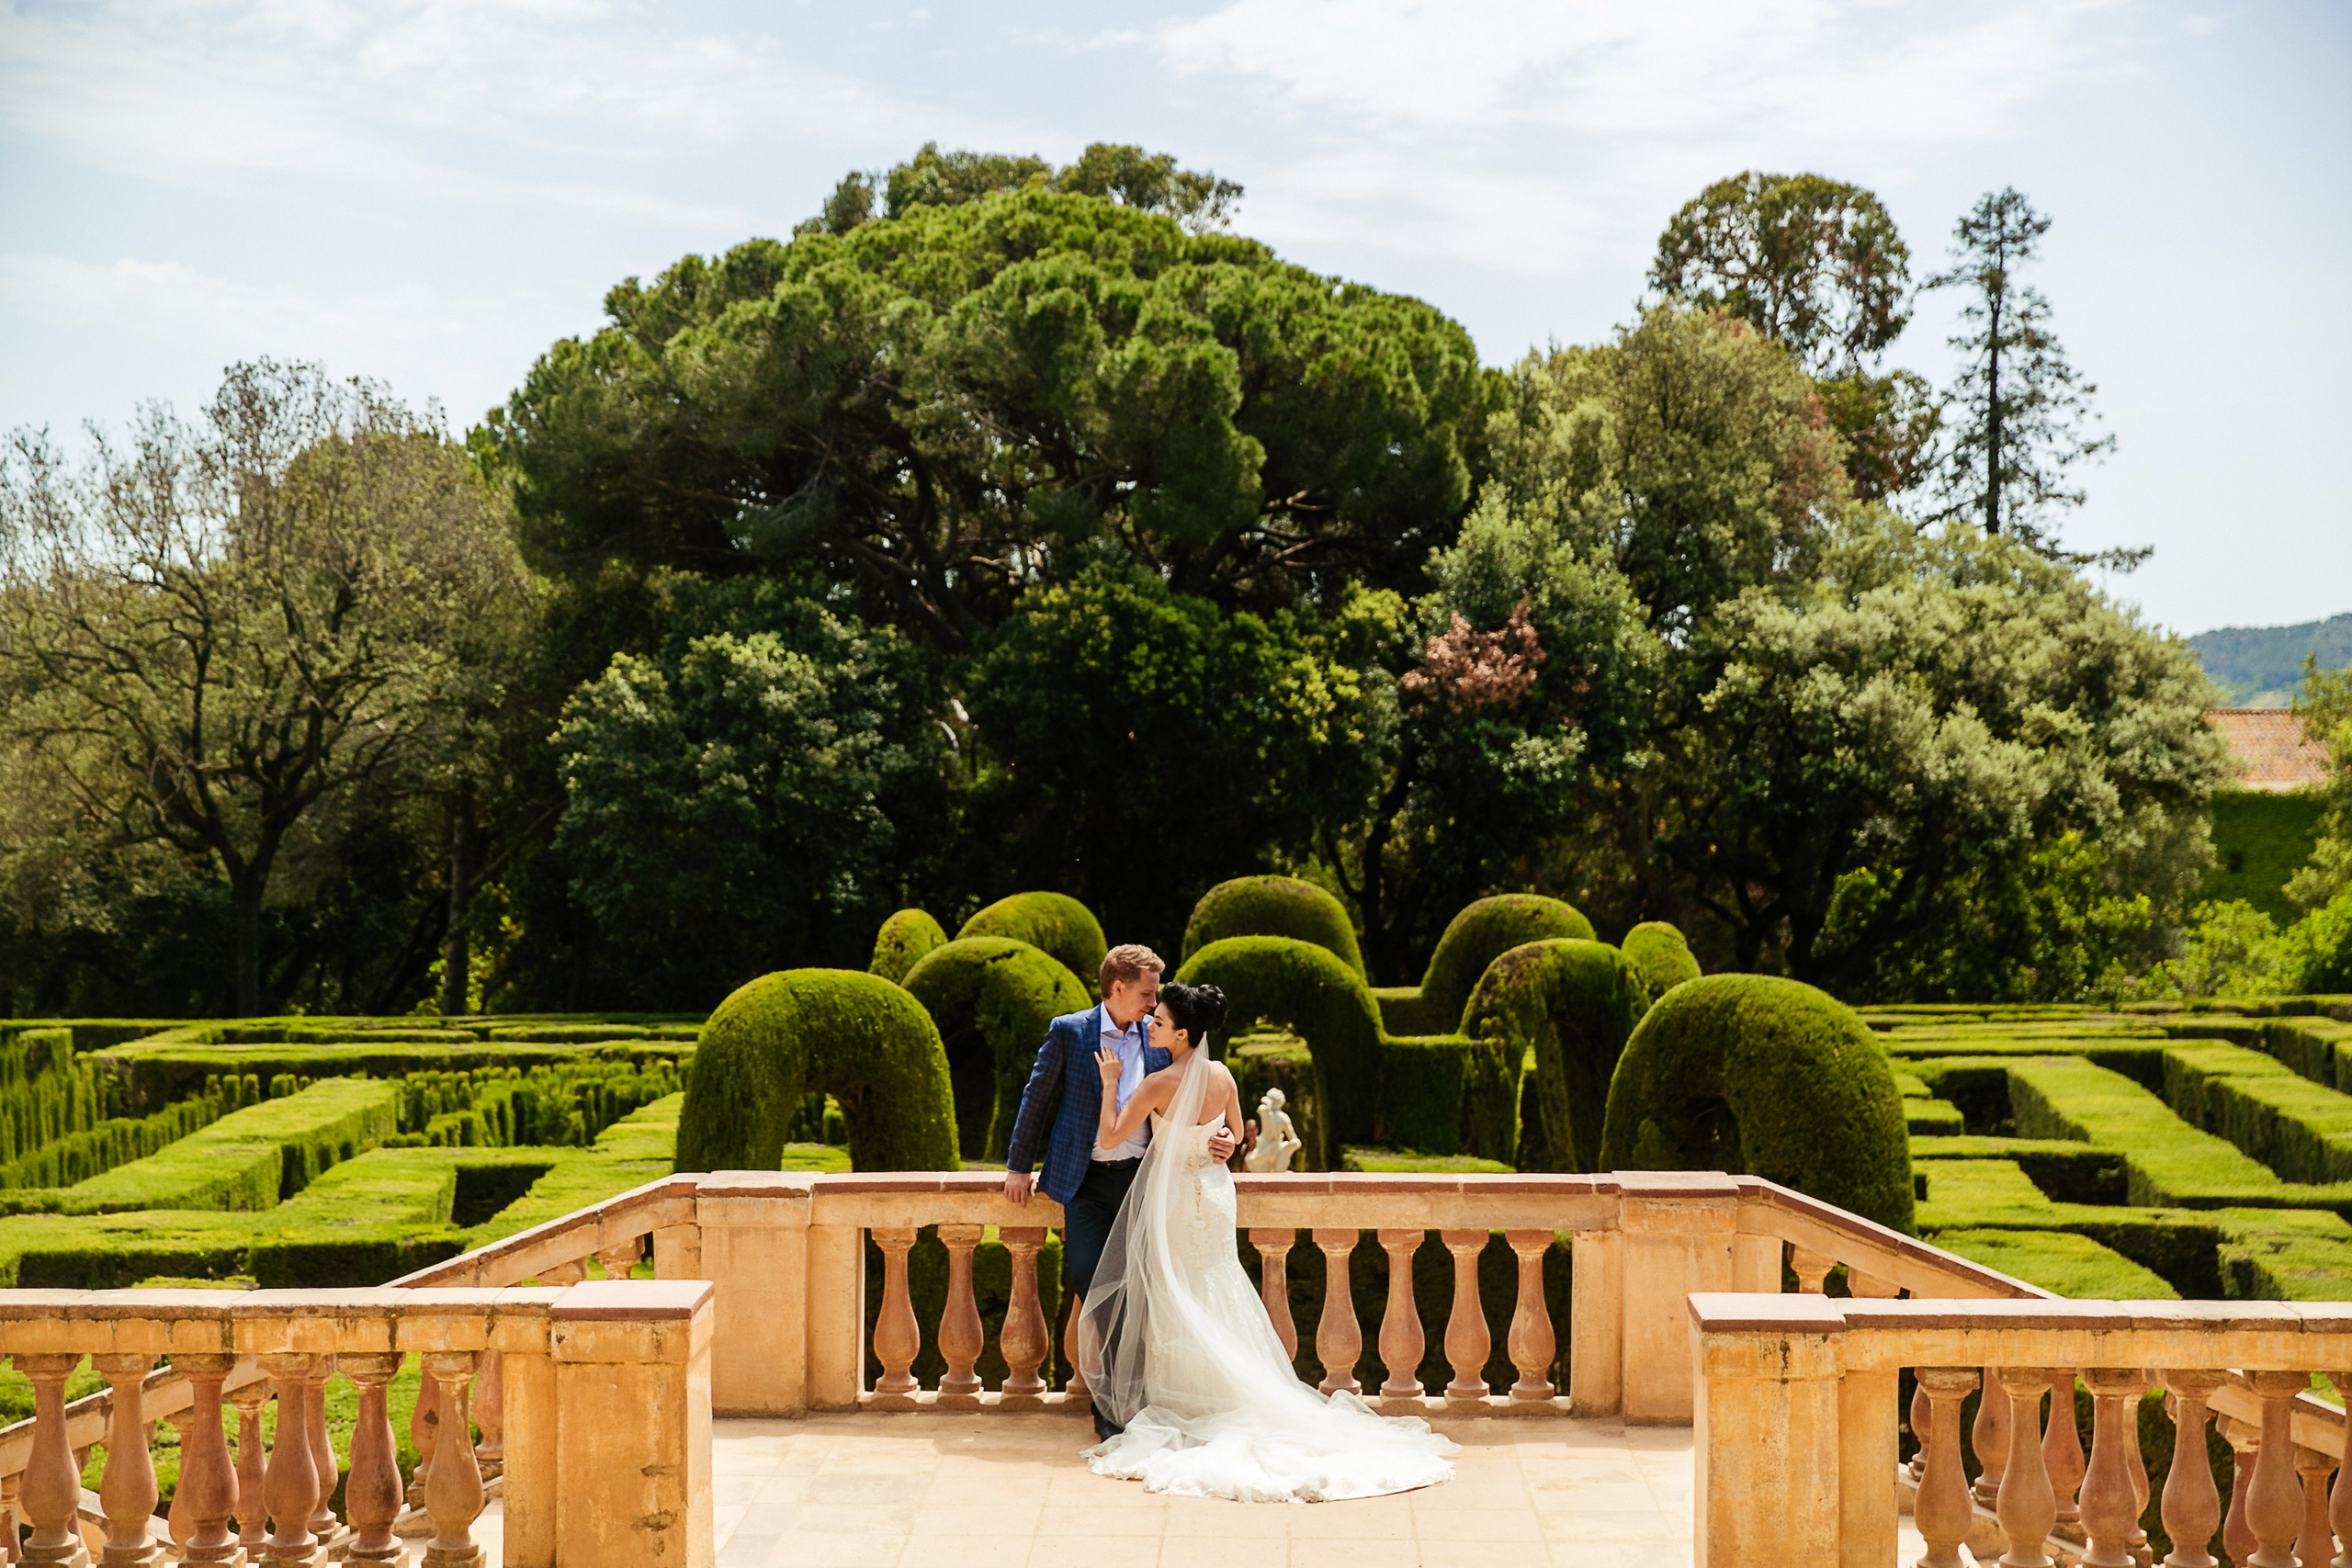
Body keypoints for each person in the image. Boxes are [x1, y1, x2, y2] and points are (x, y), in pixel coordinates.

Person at [1075, 980, 1457, 1503]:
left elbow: (1113, 1136)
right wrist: (1226, 1141)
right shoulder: (1221, 1075)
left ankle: (1188, 1404)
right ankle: (1226, 1395)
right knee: (1216, 1283)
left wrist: (1108, 1081)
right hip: (1211, 1195)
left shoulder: (1157, 1084)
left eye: (1159, 1022)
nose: (1150, 1025)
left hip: (1172, 1202)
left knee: (1177, 1292)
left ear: (1183, 1034)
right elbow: (1237, 1136)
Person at [1002, 943, 1236, 1439]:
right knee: (1094, 1281)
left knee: (1144, 1288)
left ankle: (1127, 1407)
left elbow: (1196, 1095)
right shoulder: (1070, 1031)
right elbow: (1037, 1097)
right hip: (1083, 1182)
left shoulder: (1159, 1037)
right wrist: (1019, 1166)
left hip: (1143, 1181)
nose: (1154, 1004)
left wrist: (1222, 1136)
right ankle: (1115, 1404)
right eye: (1148, 993)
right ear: (1118, 988)